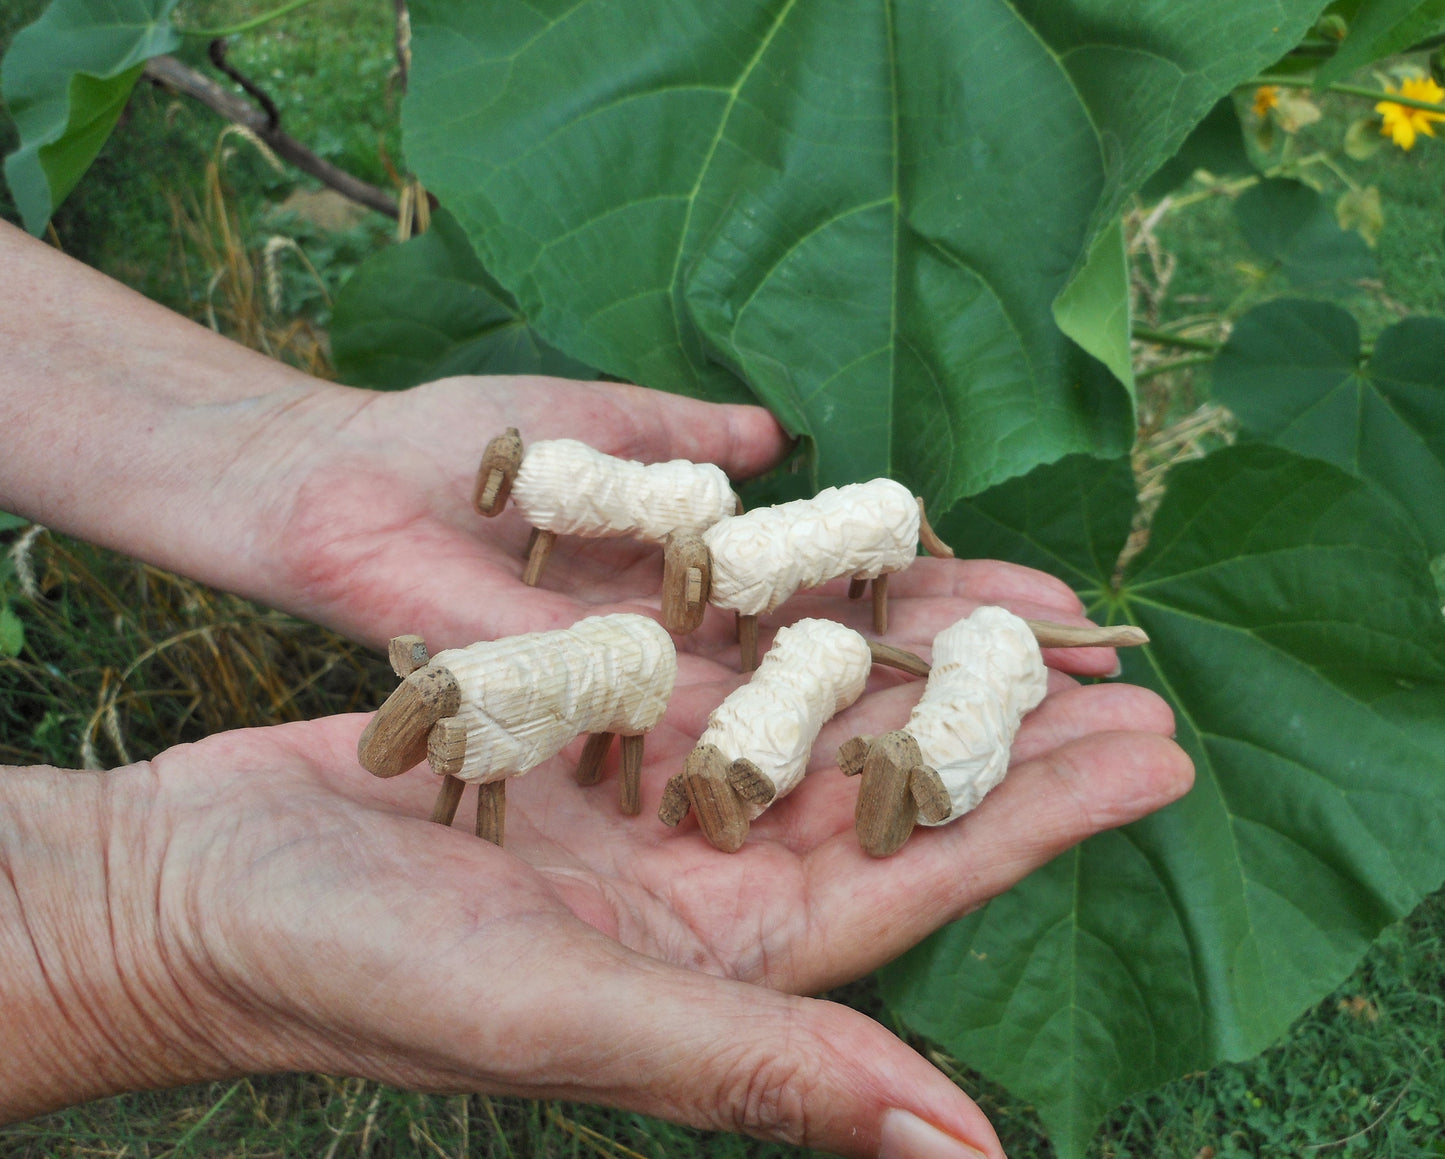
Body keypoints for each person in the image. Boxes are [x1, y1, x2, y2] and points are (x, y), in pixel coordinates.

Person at [0, 220, 1192, 1159]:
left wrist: (281, 455)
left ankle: (825, 756)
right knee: (713, 694)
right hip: (665, 672)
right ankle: (743, 753)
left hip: (778, 659)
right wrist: (126, 912)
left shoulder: (762, 616)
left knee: (810, 689)